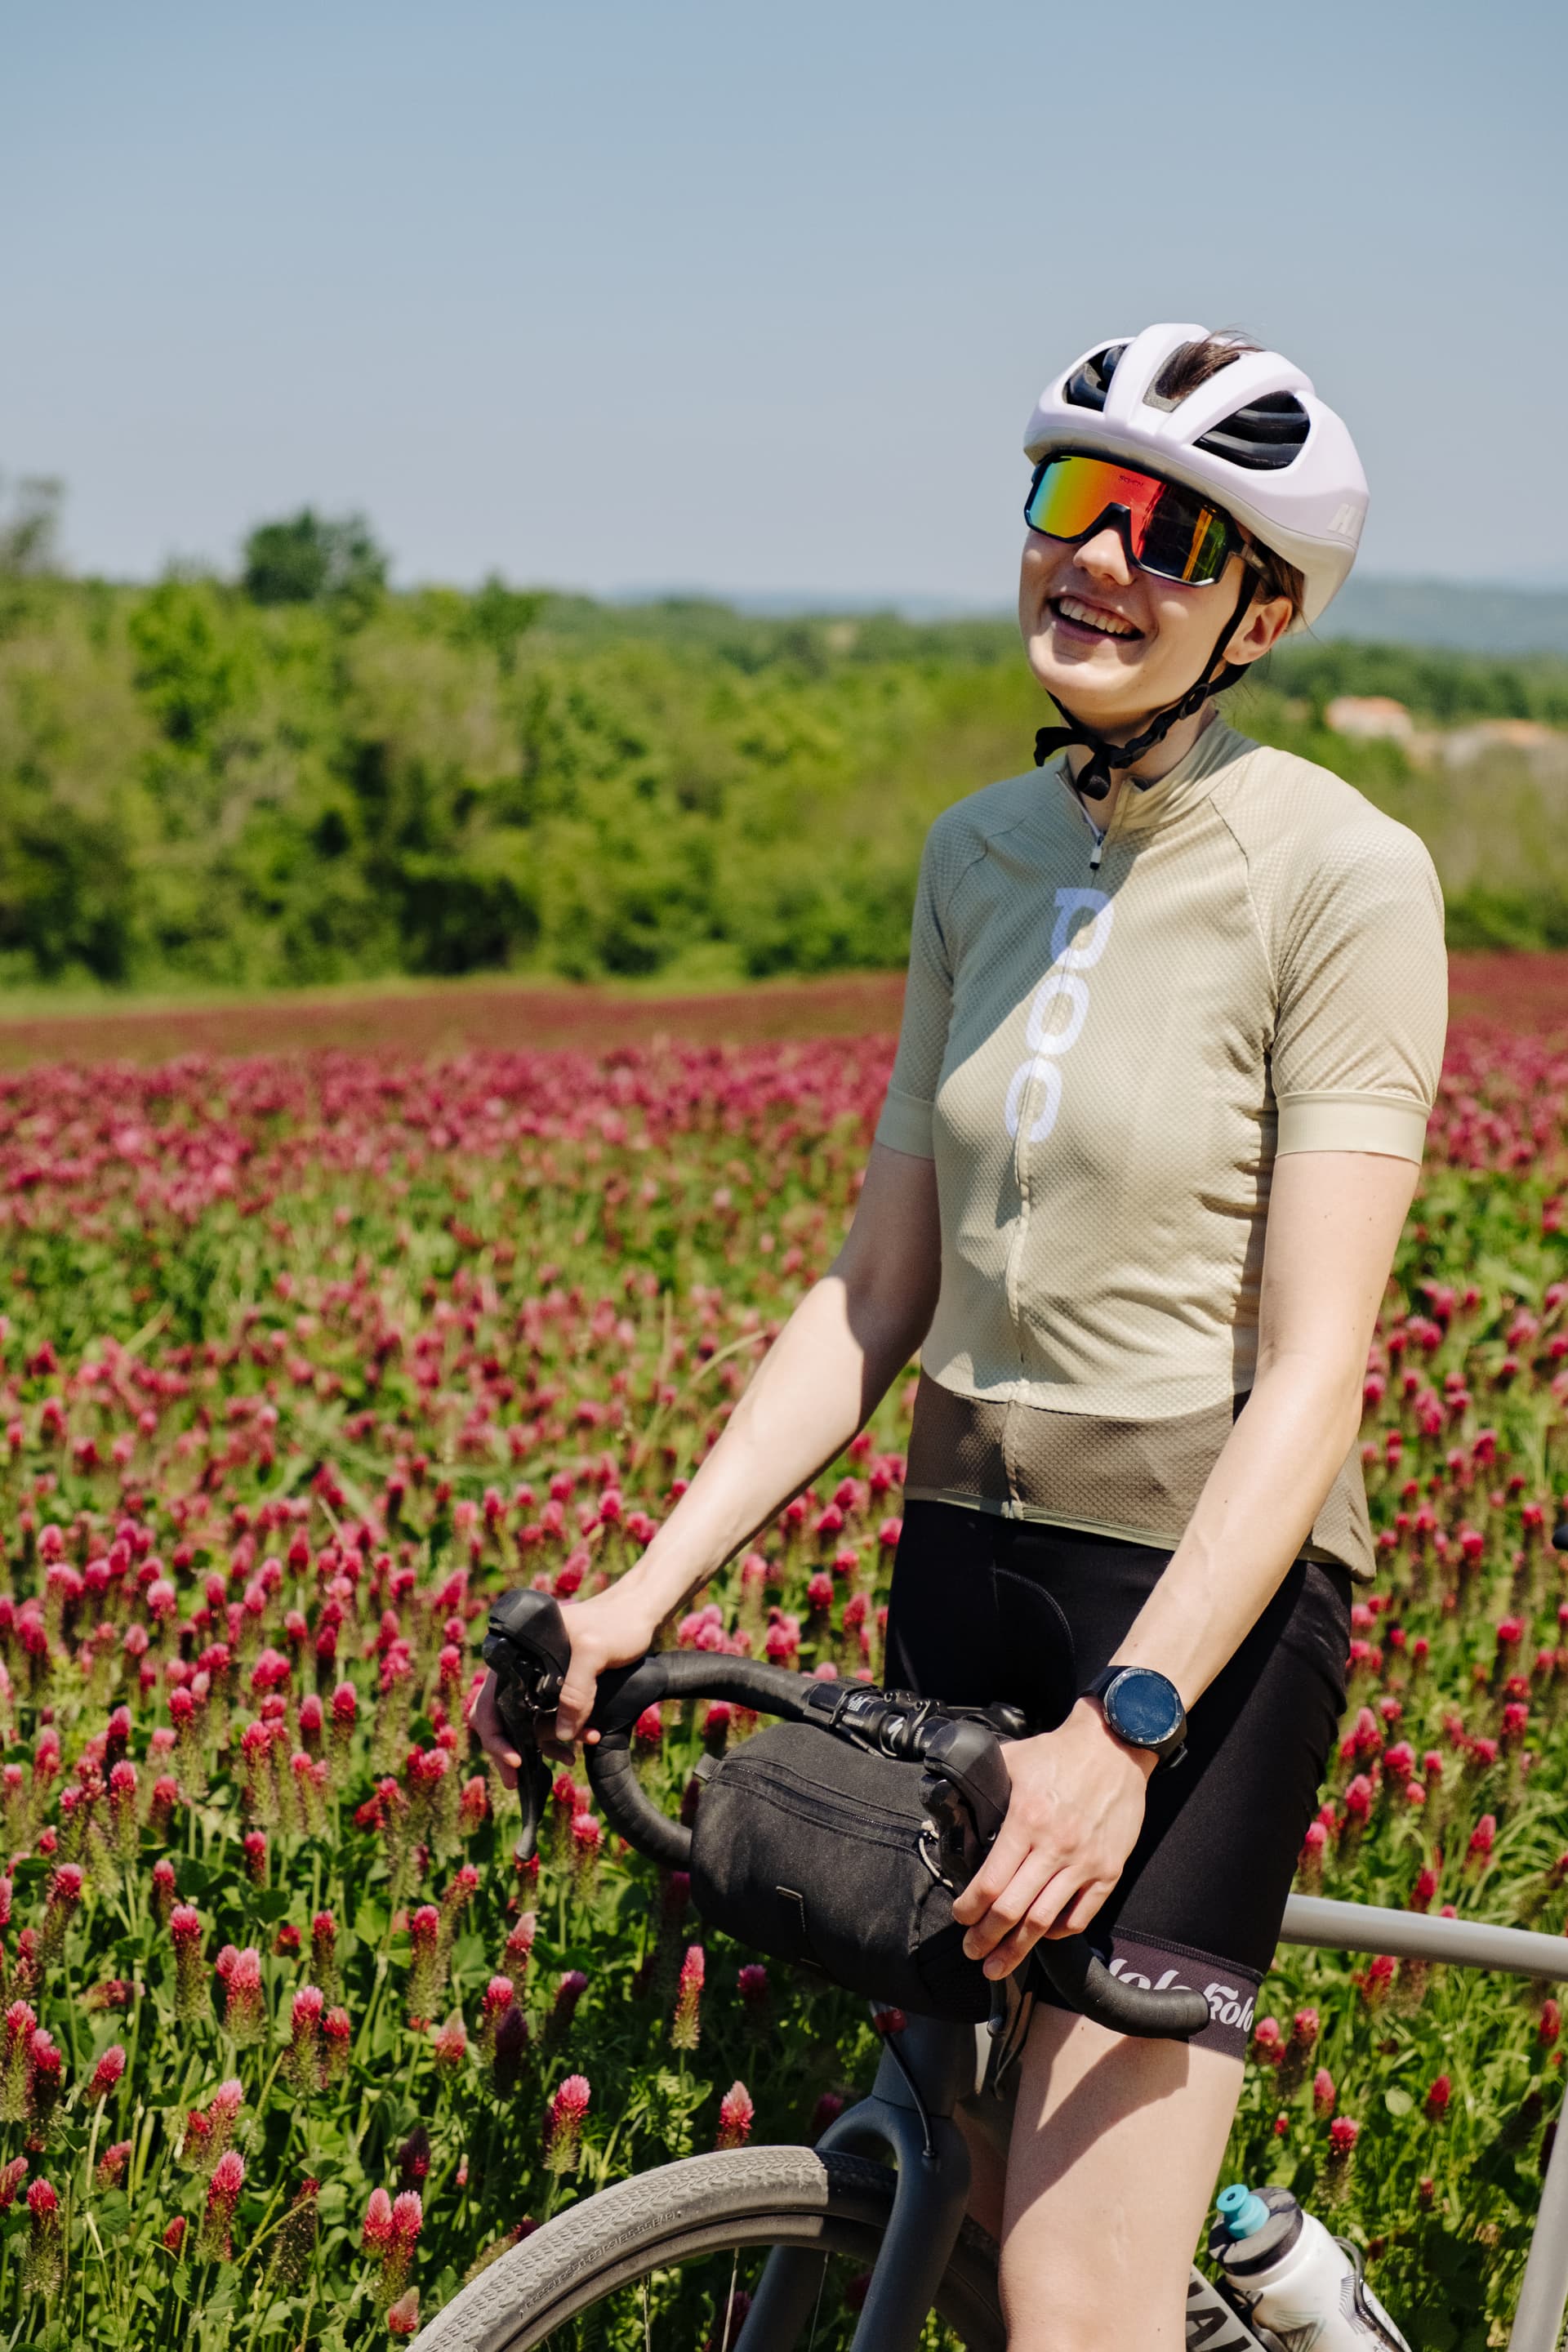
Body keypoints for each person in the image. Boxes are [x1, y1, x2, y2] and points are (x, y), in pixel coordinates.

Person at [474, 323, 1447, 2352]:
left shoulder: (1345, 876)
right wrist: (642, 1593)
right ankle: (1248, 2279)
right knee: (969, 2189)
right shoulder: (975, 857)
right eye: (1065, 504)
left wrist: (1126, 1735)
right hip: (960, 1555)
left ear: (1259, 605)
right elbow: (872, 1297)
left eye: (1166, 531)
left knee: (1076, 2298)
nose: (1095, 559)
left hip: (1195, 1614)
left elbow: (1317, 1371)